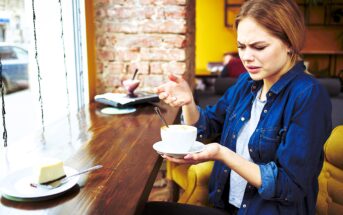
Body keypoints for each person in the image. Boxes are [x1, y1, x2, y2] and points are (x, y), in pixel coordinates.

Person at [143, 0, 332, 214]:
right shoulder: (246, 84)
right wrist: (188, 102)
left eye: (259, 47)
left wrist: (223, 154)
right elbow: (208, 125)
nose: (246, 57)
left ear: (289, 43)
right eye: (241, 47)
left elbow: (290, 185)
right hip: (228, 207)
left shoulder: (308, 96)